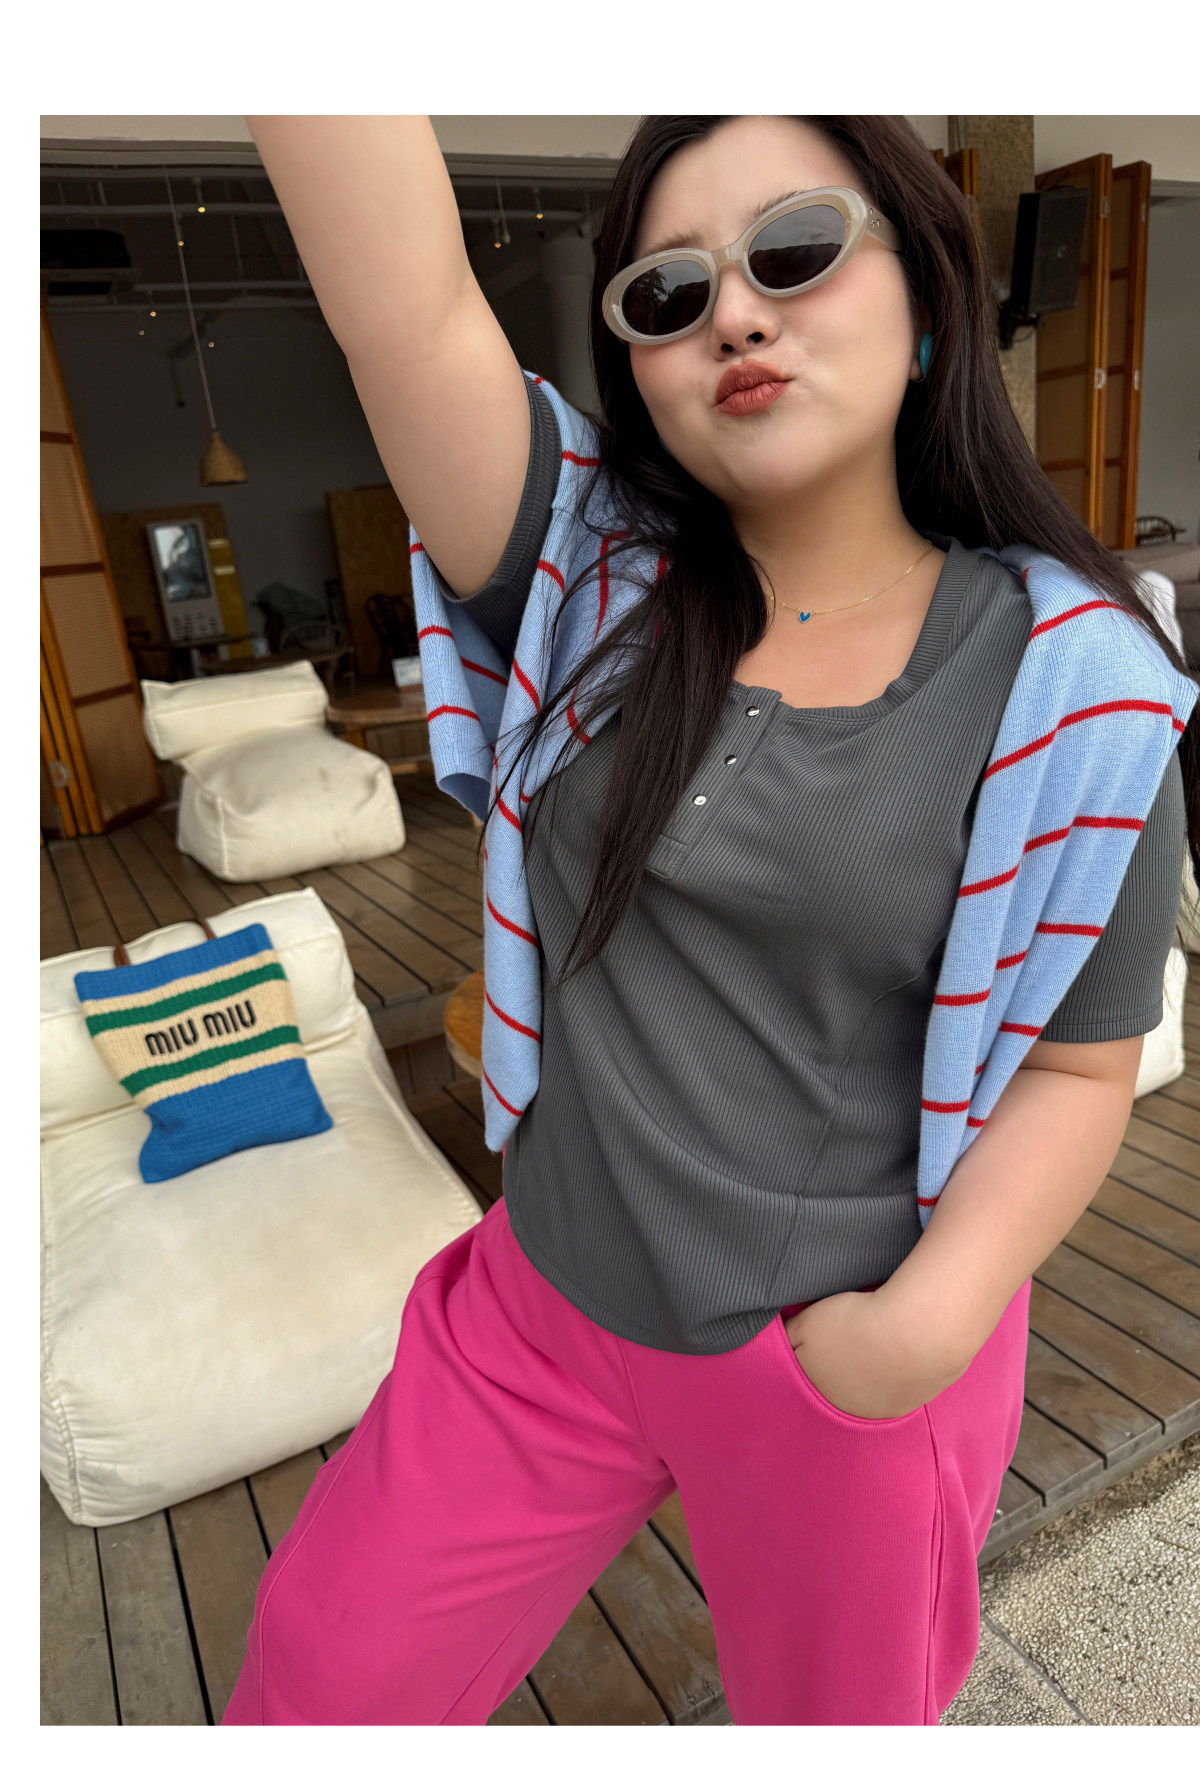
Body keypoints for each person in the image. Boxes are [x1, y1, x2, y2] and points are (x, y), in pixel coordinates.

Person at [222, 115, 1196, 1727]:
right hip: (541, 1302)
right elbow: (406, 308)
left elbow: (1081, 1068)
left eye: (794, 251)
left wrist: (913, 1334)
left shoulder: (1075, 680)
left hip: (833, 1355)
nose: (733, 312)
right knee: (322, 1675)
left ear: (927, 303)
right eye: (667, 294)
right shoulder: (580, 575)